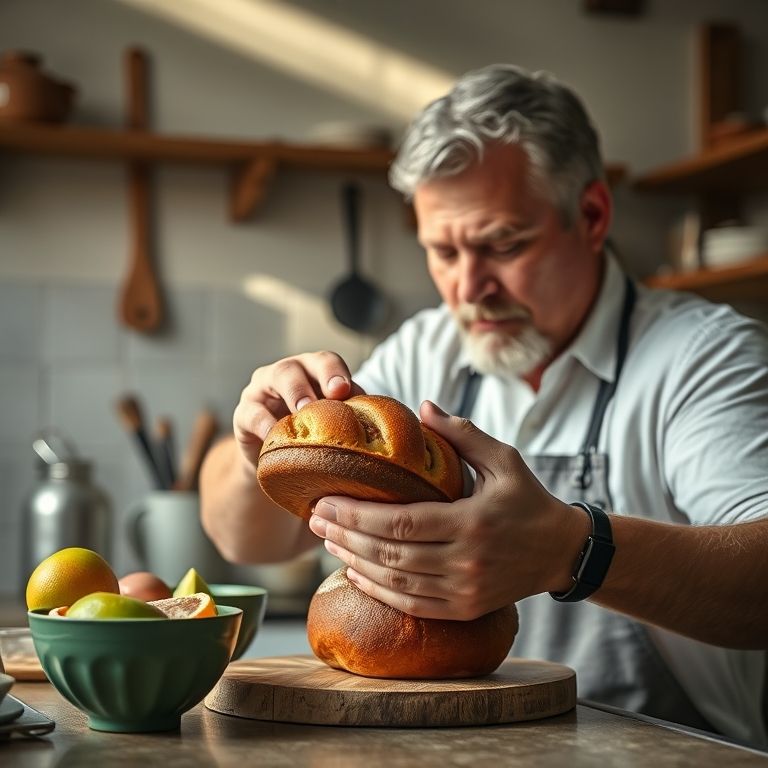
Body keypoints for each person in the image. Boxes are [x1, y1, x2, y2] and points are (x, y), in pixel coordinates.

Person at [200, 64, 768, 747]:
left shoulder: (703, 357)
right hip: (459, 749)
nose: (468, 288)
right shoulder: (424, 349)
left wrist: (572, 551)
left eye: (503, 244)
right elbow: (248, 540)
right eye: (442, 250)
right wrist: (257, 446)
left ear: (591, 216)